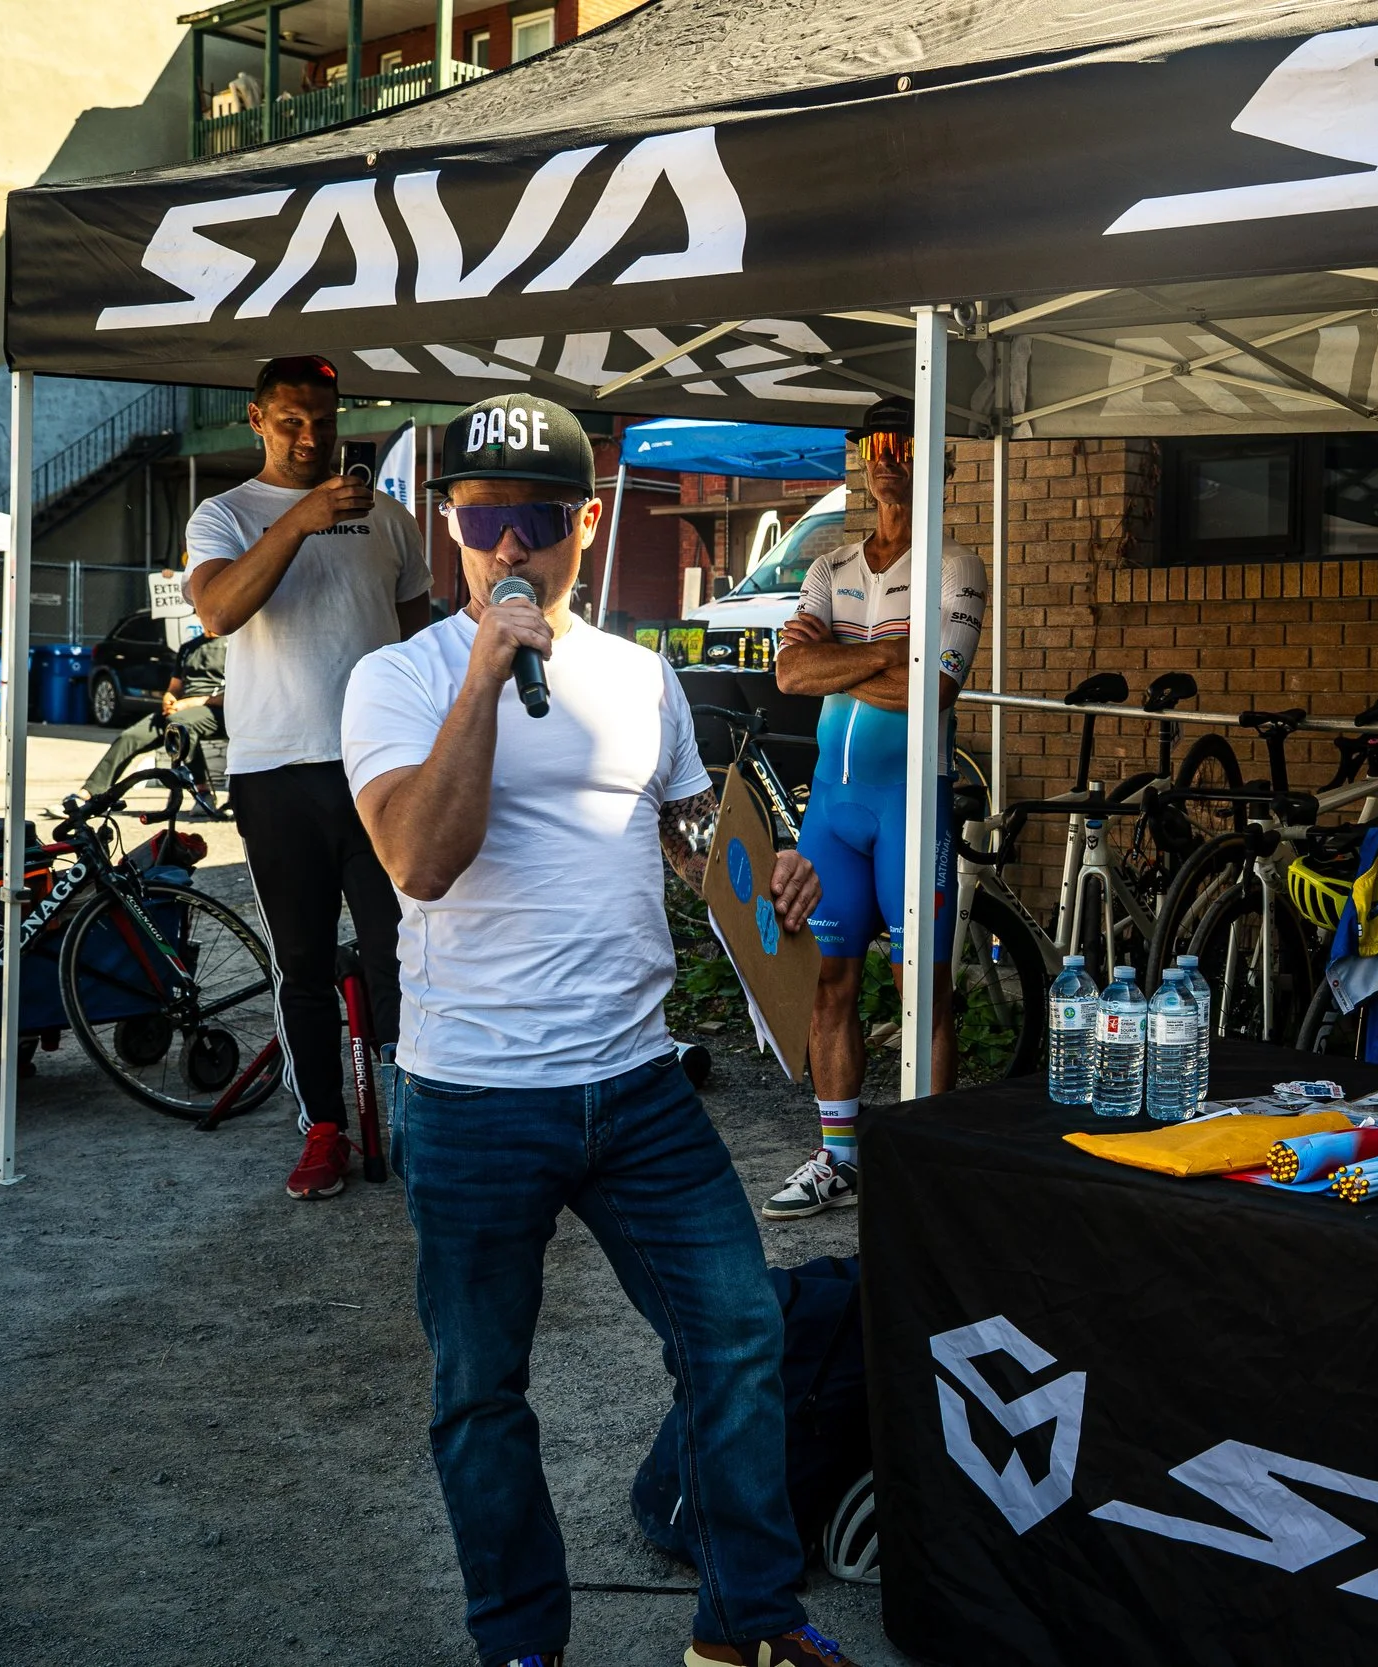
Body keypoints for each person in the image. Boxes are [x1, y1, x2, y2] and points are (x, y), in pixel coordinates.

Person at [342, 393, 846, 1667]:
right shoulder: (392, 680)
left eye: (532, 521)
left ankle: (746, 1628)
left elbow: (687, 839)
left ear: (582, 522)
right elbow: (422, 857)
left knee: (738, 1336)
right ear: (453, 528)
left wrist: (761, 865)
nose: (507, 548)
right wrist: (482, 675)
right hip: (471, 1096)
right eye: (480, 520)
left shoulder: (638, 674)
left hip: (636, 1084)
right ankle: (523, 1642)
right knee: (479, 1390)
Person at [184, 353, 429, 1200]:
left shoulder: (391, 520)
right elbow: (219, 609)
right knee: (303, 961)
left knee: (405, 949)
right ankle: (322, 1124)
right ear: (257, 420)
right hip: (275, 770)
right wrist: (301, 520)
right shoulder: (225, 514)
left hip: (378, 768)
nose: (309, 435)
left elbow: (414, 647)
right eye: (290, 419)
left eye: (323, 419)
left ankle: (415, 1116)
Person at [763, 397, 986, 1219]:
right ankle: (839, 1157)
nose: (888, 455)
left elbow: (932, 689)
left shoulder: (957, 568)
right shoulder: (830, 564)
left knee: (917, 986)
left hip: (909, 803)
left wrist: (843, 658)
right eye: (874, 442)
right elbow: (788, 675)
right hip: (835, 806)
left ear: (938, 460)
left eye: (906, 441)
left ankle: (925, 1162)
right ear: (861, 459)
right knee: (830, 979)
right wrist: (888, 649)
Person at [80, 631, 226, 799]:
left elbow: (235, 694)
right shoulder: (188, 648)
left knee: (179, 723)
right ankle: (91, 793)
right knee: (130, 737)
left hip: (214, 711)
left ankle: (203, 791)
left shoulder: (232, 646)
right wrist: (169, 699)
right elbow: (174, 687)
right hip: (180, 711)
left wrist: (190, 703)